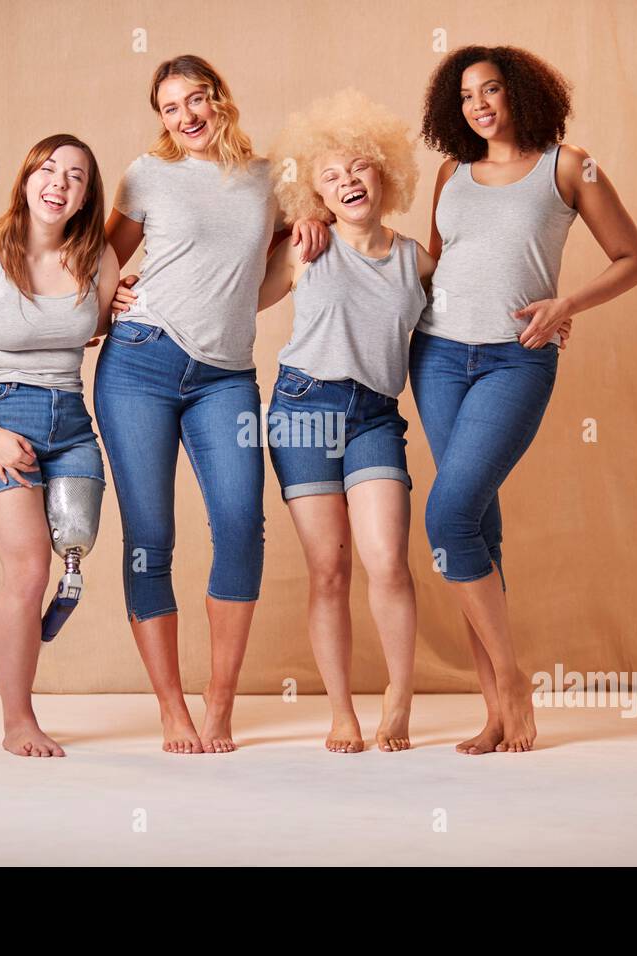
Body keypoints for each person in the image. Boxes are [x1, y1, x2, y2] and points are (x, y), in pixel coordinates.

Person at [412, 45, 637, 754]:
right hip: (436, 356)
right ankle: (496, 711)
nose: (479, 105)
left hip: (514, 362)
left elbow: (635, 258)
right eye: (465, 96)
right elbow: (432, 265)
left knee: (449, 515)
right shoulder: (451, 172)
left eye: (491, 90)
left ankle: (513, 681)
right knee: (477, 529)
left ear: (520, 92)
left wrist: (565, 302)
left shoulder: (570, 166)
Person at [95, 55, 328, 754]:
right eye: (171, 107)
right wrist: (111, 296)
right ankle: (172, 707)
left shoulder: (267, 179)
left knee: (240, 525)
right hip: (139, 363)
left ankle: (219, 702)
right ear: (160, 118)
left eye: (197, 100)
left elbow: (287, 249)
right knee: (151, 538)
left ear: (221, 100)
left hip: (224, 375)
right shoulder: (147, 175)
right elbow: (101, 259)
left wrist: (307, 231)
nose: (187, 116)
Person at [0, 134, 119, 757]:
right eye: (48, 170)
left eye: (76, 177)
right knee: (28, 567)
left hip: (71, 422)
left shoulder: (97, 261)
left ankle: (27, 644)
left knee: (70, 558)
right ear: (26, 177)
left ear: (87, 195)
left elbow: (101, 329)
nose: (59, 183)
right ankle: (18, 721)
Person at [259, 89, 433, 752]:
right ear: (317, 196)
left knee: (387, 560)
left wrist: (545, 324)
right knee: (328, 569)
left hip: (374, 416)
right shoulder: (308, 247)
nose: (347, 181)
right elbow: (236, 296)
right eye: (329, 177)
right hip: (302, 409)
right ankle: (341, 712)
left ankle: (399, 696)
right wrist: (284, 229)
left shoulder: (417, 262)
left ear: (384, 173)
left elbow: (468, 327)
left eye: (357, 167)